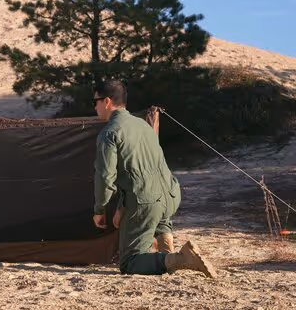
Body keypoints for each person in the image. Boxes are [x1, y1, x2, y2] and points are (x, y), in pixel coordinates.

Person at [92, 80, 216, 278]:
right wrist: (122, 208)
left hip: (146, 201)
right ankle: (169, 252)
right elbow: (146, 170)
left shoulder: (109, 133)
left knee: (129, 261)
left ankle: (181, 260)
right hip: (170, 195)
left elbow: (106, 177)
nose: (94, 106)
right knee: (155, 211)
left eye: (96, 101)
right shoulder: (143, 124)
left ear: (107, 101)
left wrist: (100, 210)